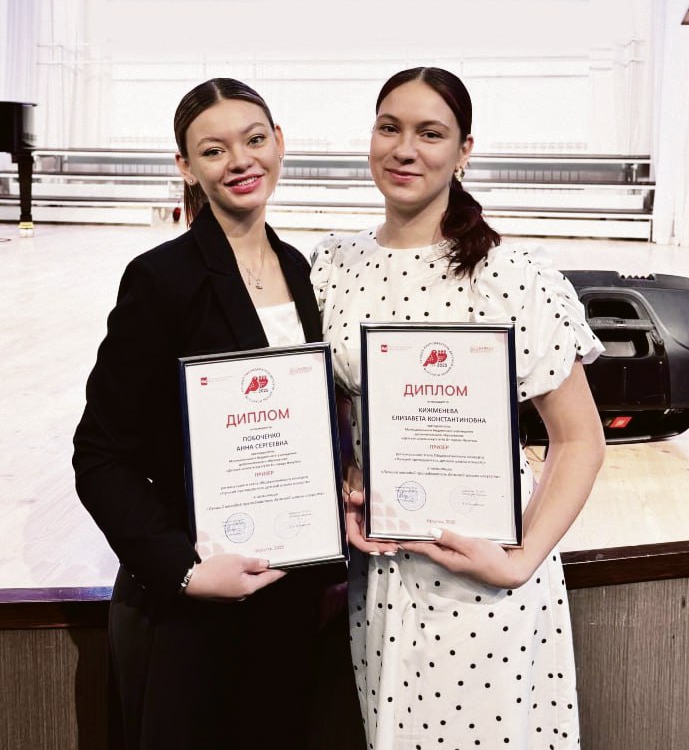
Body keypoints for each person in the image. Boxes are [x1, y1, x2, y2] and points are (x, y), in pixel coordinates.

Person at [311, 67, 606, 749]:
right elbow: (336, 417)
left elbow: (579, 441)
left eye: (430, 133)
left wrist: (519, 560)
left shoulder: (514, 274)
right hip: (381, 575)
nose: (404, 149)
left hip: (487, 580)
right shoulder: (332, 266)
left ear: (463, 150)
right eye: (389, 127)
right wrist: (347, 477)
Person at [73, 78, 355, 750]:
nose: (240, 161)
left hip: (291, 601)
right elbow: (100, 454)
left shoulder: (301, 270)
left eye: (254, 139)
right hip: (194, 614)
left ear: (279, 142)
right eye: (213, 149)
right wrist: (186, 572)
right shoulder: (161, 278)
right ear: (186, 165)